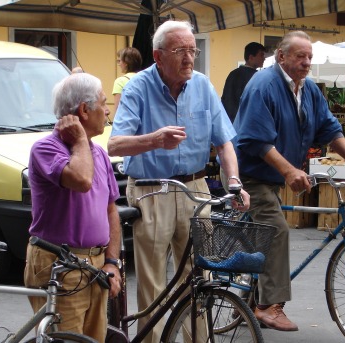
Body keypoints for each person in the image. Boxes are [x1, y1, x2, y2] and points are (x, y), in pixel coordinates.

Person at [108, 20, 250, 343]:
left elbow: (224, 141)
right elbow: (115, 144)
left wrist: (234, 181)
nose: (189, 59)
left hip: (195, 189)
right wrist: (155, 140)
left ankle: (197, 340)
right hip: (151, 189)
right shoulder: (137, 87)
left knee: (199, 279)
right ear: (158, 56)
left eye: (193, 51)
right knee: (153, 283)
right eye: (180, 51)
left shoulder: (202, 86)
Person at [231, 31, 345, 332]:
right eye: (300, 56)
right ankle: (269, 306)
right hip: (249, 175)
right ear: (281, 57)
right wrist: (288, 171)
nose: (307, 62)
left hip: (273, 174)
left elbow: (329, 128)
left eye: (309, 56)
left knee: (262, 234)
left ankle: (245, 300)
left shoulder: (307, 89)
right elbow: (255, 140)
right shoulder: (263, 85)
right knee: (276, 229)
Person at [24, 73, 122, 342]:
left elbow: (111, 209)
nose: (106, 110)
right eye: (103, 103)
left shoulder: (98, 153)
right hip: (60, 265)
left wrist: (112, 262)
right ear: (83, 110)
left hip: (96, 266)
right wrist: (79, 140)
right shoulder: (45, 149)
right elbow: (81, 180)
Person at [221, 42, 266, 122]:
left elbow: (225, 100)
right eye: (261, 55)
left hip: (229, 122)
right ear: (251, 57)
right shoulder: (256, 77)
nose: (264, 58)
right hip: (247, 123)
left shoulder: (233, 73)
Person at [112, 47, 143, 114]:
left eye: (119, 61)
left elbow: (118, 109)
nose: (119, 64)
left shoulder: (120, 81)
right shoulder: (145, 79)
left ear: (126, 63)